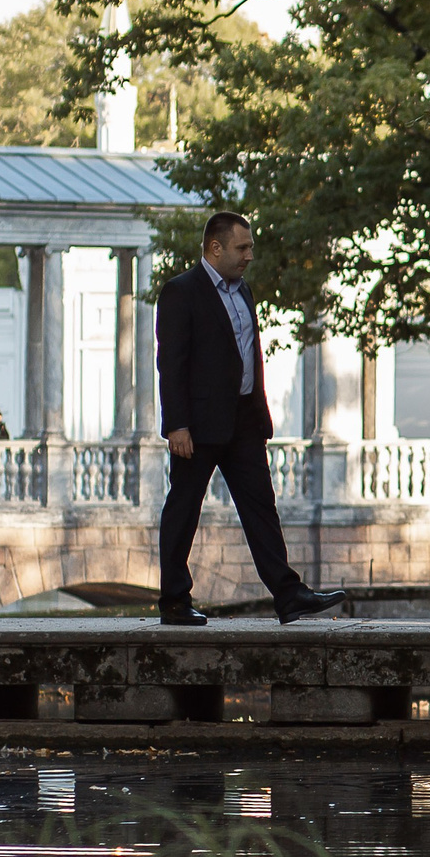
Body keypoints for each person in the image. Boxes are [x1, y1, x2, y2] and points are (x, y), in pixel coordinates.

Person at [155, 211, 349, 628]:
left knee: (262, 506)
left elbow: (249, 358)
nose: (249, 256)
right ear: (215, 247)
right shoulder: (180, 292)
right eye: (242, 248)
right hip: (198, 426)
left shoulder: (245, 292)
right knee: (183, 509)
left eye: (251, 248)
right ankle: (173, 599)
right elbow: (171, 364)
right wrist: (177, 425)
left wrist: (260, 415)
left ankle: (288, 594)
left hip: (243, 421)